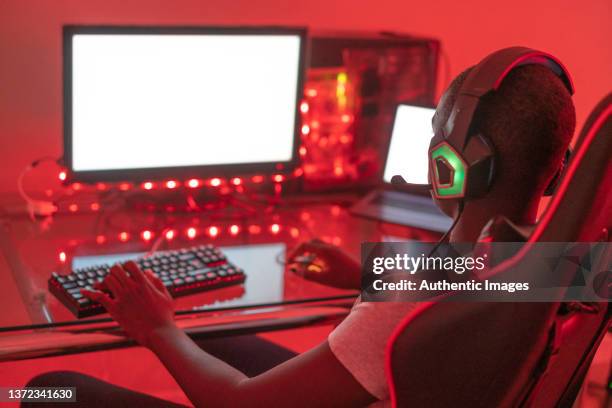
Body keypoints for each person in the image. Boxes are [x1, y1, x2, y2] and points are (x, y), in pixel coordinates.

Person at [24, 58, 575, 407]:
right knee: (217, 333)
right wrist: (368, 271)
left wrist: (158, 328)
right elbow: (480, 279)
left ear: (451, 164)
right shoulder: (570, 264)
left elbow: (239, 405)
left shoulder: (409, 304)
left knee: (51, 389)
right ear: (557, 169)